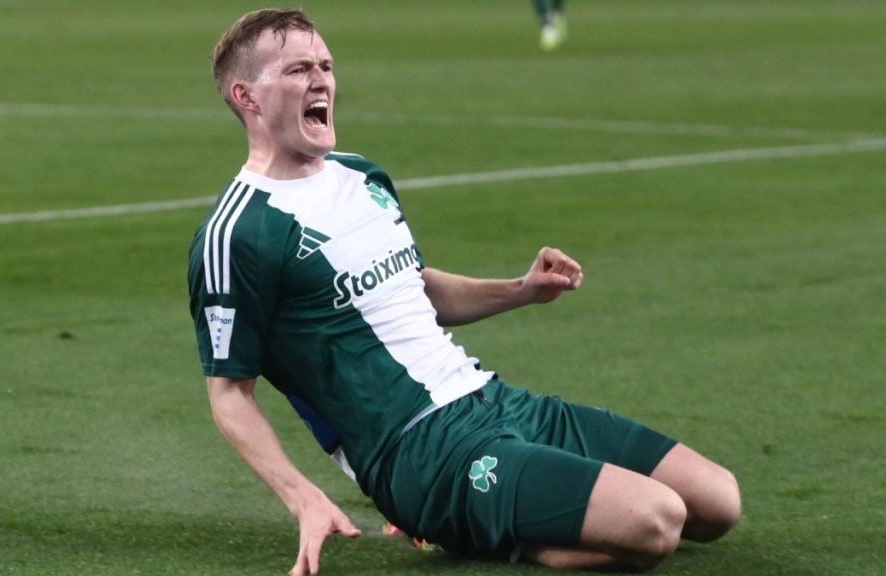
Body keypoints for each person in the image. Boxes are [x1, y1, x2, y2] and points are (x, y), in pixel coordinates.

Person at [189, 8, 741, 575]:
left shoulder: (362, 176)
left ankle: (480, 520)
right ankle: (458, 527)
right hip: (419, 452)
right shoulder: (238, 232)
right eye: (298, 69)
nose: (321, 80)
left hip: (490, 399)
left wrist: (521, 289)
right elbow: (229, 394)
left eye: (325, 65)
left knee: (718, 502)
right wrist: (303, 497)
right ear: (246, 96)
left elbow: (412, 289)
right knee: (657, 523)